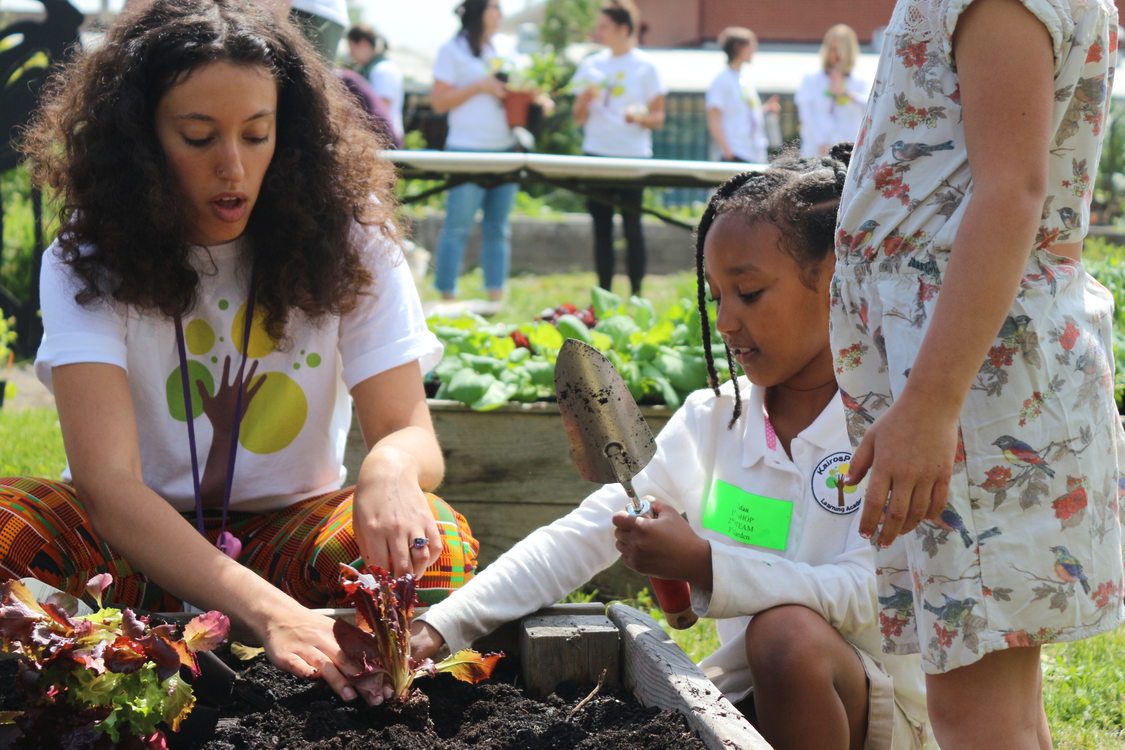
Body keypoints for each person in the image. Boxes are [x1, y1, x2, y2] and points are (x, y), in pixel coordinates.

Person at [7, 0, 479, 707]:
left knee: (432, 542)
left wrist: (389, 468)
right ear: (138, 140)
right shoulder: (89, 254)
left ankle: (357, 695)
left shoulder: (355, 244)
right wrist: (269, 614)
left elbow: (411, 433)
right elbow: (108, 487)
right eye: (198, 136)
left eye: (257, 135)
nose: (234, 166)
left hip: (293, 533)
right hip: (130, 546)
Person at [412, 152, 935, 750]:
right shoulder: (716, 419)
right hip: (749, 700)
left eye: (749, 292)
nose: (726, 321)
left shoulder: (890, 425)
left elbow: (868, 593)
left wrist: (705, 564)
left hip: (886, 715)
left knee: (786, 637)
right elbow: (587, 532)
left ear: (838, 277)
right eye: (716, 296)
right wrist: (441, 625)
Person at [830, 0, 1123, 747]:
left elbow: (1010, 191)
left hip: (969, 373)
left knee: (972, 712)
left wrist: (929, 404)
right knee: (996, 699)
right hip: (965, 361)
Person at [430, 0, 520, 307]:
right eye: (493, 6)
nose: (499, 12)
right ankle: (447, 296)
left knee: (498, 226)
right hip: (465, 150)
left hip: (506, 149)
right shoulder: (451, 50)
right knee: (457, 225)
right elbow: (439, 102)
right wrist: (479, 86)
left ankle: (496, 297)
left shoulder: (506, 47)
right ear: (478, 11)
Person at [572, 0, 666, 296]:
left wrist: (639, 117)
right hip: (596, 154)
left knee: (632, 227)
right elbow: (578, 117)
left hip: (633, 156)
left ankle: (636, 294)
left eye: (604, 26)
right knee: (601, 228)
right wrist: (585, 100)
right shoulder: (591, 64)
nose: (598, 32)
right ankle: (604, 295)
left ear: (624, 29)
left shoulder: (646, 66)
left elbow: (658, 118)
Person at [705, 26, 778, 164]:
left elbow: (742, 115)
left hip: (754, 154)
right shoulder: (722, 80)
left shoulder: (745, 79)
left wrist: (765, 110)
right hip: (736, 154)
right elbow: (714, 119)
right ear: (738, 47)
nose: (754, 51)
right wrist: (729, 153)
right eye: (751, 46)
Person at [795, 24, 868, 159]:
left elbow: (871, 107)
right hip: (815, 151)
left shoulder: (860, 81)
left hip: (848, 151)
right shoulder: (811, 79)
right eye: (832, 48)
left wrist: (846, 93)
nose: (835, 54)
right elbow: (807, 116)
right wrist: (820, 142)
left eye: (840, 49)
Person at [346, 24, 405, 146]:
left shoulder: (383, 70)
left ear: (363, 43)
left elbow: (381, 111)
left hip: (384, 141)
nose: (350, 54)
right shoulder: (376, 68)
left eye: (351, 47)